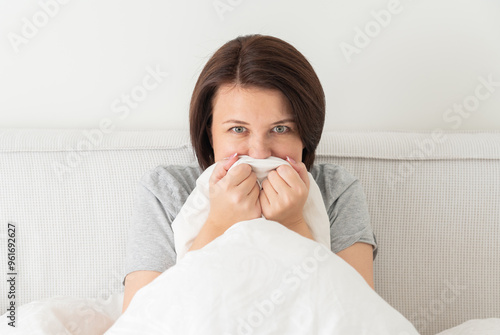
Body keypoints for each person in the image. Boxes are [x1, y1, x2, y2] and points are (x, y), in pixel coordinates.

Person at [122, 34, 377, 312]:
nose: (259, 153)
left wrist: (293, 224)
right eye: (238, 129)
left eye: (280, 129)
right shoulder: (167, 190)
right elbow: (143, 318)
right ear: (210, 132)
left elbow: (359, 315)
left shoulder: (336, 191)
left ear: (305, 134)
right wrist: (218, 225)